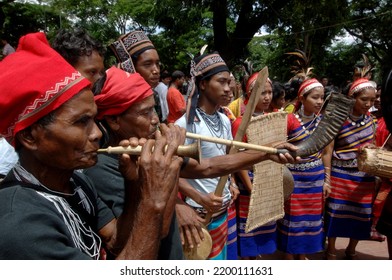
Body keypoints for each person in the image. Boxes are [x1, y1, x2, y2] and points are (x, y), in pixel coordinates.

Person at [0, 32, 185, 260]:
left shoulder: (76, 182)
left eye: (93, 119)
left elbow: (117, 241)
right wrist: (153, 200)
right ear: (29, 136)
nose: (97, 133)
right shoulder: (19, 223)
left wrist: (134, 183)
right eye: (81, 122)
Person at [175, 52, 299, 259]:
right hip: (199, 214)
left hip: (226, 211)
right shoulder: (184, 125)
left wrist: (232, 183)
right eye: (221, 82)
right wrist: (200, 197)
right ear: (203, 84)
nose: (228, 88)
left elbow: (228, 159)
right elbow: (173, 173)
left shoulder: (224, 120)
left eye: (229, 82)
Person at [277, 77, 331, 260]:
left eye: (322, 97)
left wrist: (327, 181)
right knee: (293, 219)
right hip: (294, 179)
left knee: (311, 219)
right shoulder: (289, 120)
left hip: (315, 179)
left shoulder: (323, 122)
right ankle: (289, 255)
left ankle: (302, 254)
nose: (319, 102)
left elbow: (326, 153)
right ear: (302, 97)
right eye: (315, 97)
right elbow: (278, 148)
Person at [324, 77, 377, 260]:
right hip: (340, 174)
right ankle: (330, 249)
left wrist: (371, 149)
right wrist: (327, 178)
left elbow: (374, 145)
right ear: (352, 97)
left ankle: (351, 249)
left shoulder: (371, 121)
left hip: (364, 177)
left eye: (372, 100)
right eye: (364, 99)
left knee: (361, 213)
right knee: (336, 213)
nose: (369, 104)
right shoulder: (338, 120)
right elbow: (328, 151)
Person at [231, 72, 278, 259]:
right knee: (248, 226)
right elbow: (238, 159)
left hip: (269, 180)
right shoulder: (240, 123)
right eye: (262, 93)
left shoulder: (274, 119)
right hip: (249, 183)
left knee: (264, 227)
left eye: (269, 92)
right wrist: (251, 189)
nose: (267, 97)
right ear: (250, 95)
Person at [109, 30, 164, 122]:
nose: (156, 70)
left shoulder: (155, 95)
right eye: (147, 64)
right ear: (130, 67)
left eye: (157, 64)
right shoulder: (119, 101)